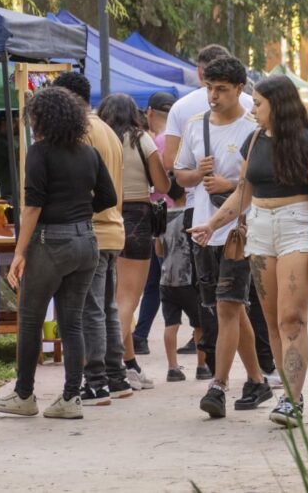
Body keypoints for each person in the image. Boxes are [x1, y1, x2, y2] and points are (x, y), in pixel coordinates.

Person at [190, 75, 308, 428]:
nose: (253, 109)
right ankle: (288, 393)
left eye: (259, 103)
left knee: (291, 319)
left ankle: (293, 399)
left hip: (297, 224)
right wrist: (213, 224)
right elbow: (243, 192)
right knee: (270, 321)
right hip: (261, 226)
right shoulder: (254, 140)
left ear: (278, 106)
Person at [0, 87, 117, 419]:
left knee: (30, 319)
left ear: (41, 119)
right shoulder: (88, 153)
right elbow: (108, 196)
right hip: (87, 241)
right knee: (71, 323)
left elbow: (33, 206)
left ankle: (24, 394)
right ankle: (71, 398)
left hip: (51, 241)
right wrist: (78, 209)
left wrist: (19, 252)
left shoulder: (39, 153)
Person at [175, 56, 270, 418]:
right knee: (227, 309)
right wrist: (196, 174)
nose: (213, 96)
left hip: (240, 231)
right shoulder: (197, 125)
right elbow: (179, 175)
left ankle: (218, 386)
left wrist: (230, 184)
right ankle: (257, 380)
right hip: (203, 228)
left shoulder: (253, 128)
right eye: (209, 88)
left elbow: (256, 183)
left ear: (239, 90)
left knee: (229, 306)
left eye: (221, 90)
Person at [53, 71, 134, 403]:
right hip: (113, 228)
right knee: (107, 306)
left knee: (91, 308)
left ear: (68, 98)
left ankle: (97, 379)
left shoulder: (82, 132)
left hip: (94, 230)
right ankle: (116, 376)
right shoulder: (107, 130)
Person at [97, 93, 171, 390]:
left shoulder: (99, 139)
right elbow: (163, 184)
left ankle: (128, 363)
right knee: (127, 298)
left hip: (103, 217)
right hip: (137, 217)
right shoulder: (142, 140)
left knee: (112, 297)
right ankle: (112, 365)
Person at [132, 91, 180, 356]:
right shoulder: (173, 140)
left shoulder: (152, 142)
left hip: (156, 215)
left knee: (159, 279)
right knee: (162, 278)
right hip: (174, 213)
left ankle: (141, 334)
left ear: (149, 112)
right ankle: (140, 334)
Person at [155, 208, 205, 382]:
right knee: (200, 325)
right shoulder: (192, 214)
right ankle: (201, 366)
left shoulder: (162, 214)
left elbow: (159, 251)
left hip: (166, 279)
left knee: (171, 324)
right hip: (187, 278)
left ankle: (173, 368)